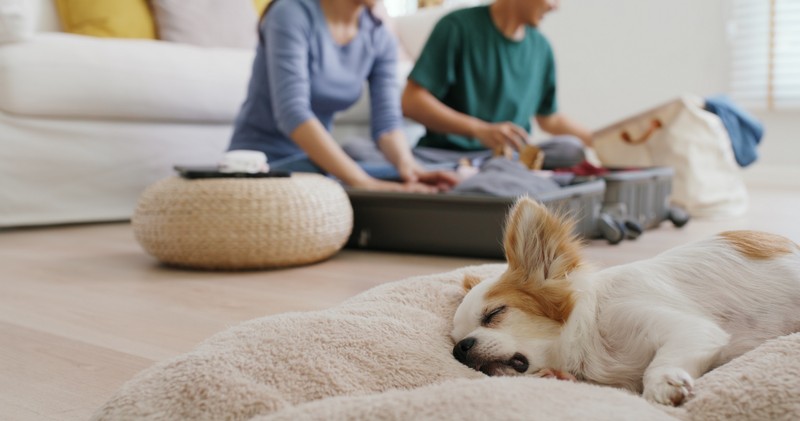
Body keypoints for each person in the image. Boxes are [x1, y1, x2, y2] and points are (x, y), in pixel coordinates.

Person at [228, 0, 457, 193]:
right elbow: (292, 113)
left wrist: (409, 168)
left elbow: (387, 124)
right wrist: (362, 181)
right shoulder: (290, 13)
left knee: (431, 174)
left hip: (319, 162)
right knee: (356, 173)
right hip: (264, 163)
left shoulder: (379, 36)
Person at [401, 0, 592, 169]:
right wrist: (479, 130)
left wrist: (598, 142)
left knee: (570, 149)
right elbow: (412, 101)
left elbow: (550, 119)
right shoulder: (457, 27)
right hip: (451, 156)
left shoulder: (542, 48)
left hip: (510, 160)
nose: (555, 6)